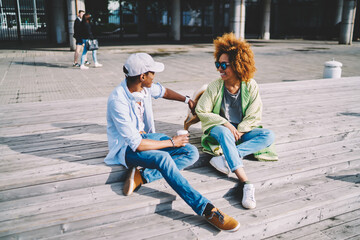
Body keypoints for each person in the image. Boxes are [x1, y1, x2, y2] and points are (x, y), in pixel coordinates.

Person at [104, 53, 240, 232]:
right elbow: (137, 145)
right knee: (163, 159)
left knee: (191, 152)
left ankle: (142, 176)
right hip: (126, 149)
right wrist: (171, 142)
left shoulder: (143, 87)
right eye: (152, 72)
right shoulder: (118, 100)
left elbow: (165, 91)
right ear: (142, 76)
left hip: (145, 139)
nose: (155, 76)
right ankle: (206, 209)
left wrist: (187, 100)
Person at [195, 33, 277, 210]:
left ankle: (227, 156)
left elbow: (255, 114)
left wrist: (240, 130)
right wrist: (225, 124)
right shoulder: (215, 86)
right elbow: (201, 111)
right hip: (219, 131)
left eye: (224, 65)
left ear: (238, 65)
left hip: (241, 133)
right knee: (224, 133)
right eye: (218, 64)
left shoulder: (251, 85)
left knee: (268, 135)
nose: (219, 69)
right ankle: (246, 182)